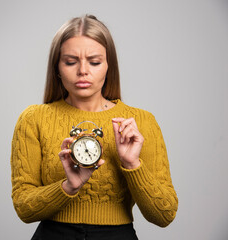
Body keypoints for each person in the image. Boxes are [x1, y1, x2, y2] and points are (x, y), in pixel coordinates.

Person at [10, 14, 178, 240]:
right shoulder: (33, 119)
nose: (82, 71)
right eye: (70, 61)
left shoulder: (140, 122)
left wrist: (132, 164)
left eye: (95, 62)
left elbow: (164, 214)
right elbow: (24, 207)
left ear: (109, 66)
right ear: (57, 68)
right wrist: (68, 186)